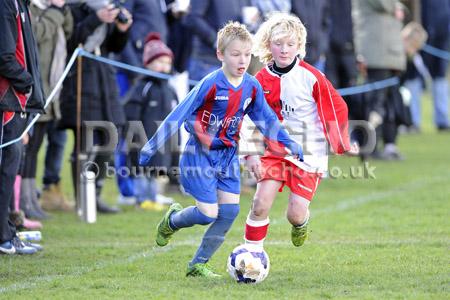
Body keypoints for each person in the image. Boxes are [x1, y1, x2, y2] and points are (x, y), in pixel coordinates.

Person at [140, 22, 303, 278]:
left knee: (229, 212)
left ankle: (198, 264)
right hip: (200, 156)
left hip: (227, 157)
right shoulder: (211, 83)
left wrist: (289, 142)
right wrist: (152, 145)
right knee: (208, 214)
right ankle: (172, 220)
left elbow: (266, 119)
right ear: (220, 55)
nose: (242, 60)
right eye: (235, 54)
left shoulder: (250, 86)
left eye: (247, 55)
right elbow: (182, 114)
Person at [241, 13, 358, 249]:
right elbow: (248, 118)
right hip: (274, 150)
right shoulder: (259, 79)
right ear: (268, 45)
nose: (284, 50)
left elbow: (335, 108)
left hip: (308, 151)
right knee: (260, 204)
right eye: (278, 44)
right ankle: (250, 255)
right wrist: (250, 153)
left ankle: (300, 223)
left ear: (299, 46)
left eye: (290, 44)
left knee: (294, 214)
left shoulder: (312, 77)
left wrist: (341, 144)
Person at [59, 1, 133, 213]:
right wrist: (96, 19)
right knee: (85, 143)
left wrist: (121, 29)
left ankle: (96, 194)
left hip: (104, 79)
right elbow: (71, 40)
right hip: (81, 78)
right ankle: (83, 199)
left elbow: (114, 47)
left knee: (110, 138)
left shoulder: (110, 6)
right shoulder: (73, 9)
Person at [19, 0, 74, 215]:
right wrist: (55, 11)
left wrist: (61, 9)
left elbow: (67, 31)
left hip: (49, 92)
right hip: (33, 91)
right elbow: (39, 33)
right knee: (27, 151)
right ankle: (23, 202)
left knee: (35, 148)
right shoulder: (31, 9)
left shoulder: (54, 11)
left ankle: (30, 200)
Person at [0, 0, 45, 255]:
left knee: (11, 166)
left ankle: (7, 229)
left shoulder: (21, 5)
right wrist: (25, 82)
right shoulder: (6, 4)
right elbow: (5, 56)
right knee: (6, 167)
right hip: (8, 99)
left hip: (18, 100)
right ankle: (3, 237)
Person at [118, 32, 178, 211]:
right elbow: (131, 112)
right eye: (159, 62)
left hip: (162, 141)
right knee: (142, 171)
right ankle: (141, 199)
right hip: (143, 139)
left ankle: (152, 198)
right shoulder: (143, 87)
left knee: (155, 171)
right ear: (148, 64)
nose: (164, 66)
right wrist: (134, 137)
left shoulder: (170, 89)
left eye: (167, 63)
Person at [352, 0, 407, 160]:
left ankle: (388, 146)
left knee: (389, 104)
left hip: (390, 55)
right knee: (375, 104)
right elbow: (384, 4)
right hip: (377, 54)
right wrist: (395, 7)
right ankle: (371, 147)